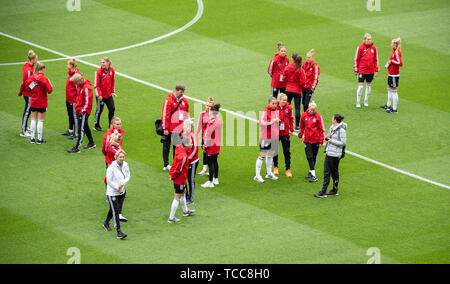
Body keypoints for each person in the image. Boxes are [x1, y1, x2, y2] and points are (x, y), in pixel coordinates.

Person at [314, 114, 347, 198]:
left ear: (335, 120)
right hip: (330, 152)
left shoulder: (341, 131)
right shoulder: (332, 127)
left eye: (332, 118)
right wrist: (327, 137)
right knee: (334, 172)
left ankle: (323, 192)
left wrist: (331, 141)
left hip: (334, 154)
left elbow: (343, 143)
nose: (331, 119)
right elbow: (329, 136)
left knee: (327, 172)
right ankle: (334, 190)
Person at [161, 84, 189, 171]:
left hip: (179, 129)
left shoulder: (184, 101)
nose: (182, 94)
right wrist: (165, 128)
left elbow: (186, 114)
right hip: (169, 129)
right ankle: (166, 164)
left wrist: (186, 126)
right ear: (176, 90)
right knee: (166, 146)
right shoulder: (168, 100)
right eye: (181, 92)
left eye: (183, 92)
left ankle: (175, 163)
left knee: (177, 147)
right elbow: (165, 115)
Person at [103, 150, 130, 239]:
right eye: (120, 157)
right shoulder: (111, 167)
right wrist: (117, 187)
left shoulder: (125, 165)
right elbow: (109, 180)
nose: (122, 159)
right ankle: (118, 232)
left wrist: (123, 183)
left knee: (113, 209)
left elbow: (128, 176)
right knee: (116, 211)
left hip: (122, 191)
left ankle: (106, 223)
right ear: (116, 157)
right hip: (113, 193)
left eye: (123, 157)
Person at [168, 137, 196, 223]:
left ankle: (185, 211)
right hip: (179, 178)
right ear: (186, 145)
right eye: (191, 143)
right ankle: (171, 218)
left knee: (183, 192)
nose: (192, 144)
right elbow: (179, 169)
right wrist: (173, 176)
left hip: (181, 178)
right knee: (177, 196)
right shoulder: (183, 156)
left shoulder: (180, 149)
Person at [67, 74, 96, 153]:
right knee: (85, 127)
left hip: (83, 112)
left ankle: (77, 147)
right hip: (80, 109)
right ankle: (91, 142)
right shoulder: (81, 86)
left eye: (76, 83)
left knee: (81, 129)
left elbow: (88, 102)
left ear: (79, 80)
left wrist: (82, 111)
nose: (75, 84)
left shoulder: (87, 88)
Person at [26, 62, 53, 144]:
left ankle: (32, 138)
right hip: (42, 102)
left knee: (33, 119)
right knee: (40, 121)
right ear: (42, 69)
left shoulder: (31, 78)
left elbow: (28, 89)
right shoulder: (45, 79)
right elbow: (50, 90)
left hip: (34, 101)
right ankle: (39, 139)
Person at [254, 97, 279, 183]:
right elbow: (261, 123)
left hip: (274, 137)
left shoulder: (276, 110)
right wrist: (272, 121)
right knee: (262, 155)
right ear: (269, 103)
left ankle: (269, 173)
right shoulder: (265, 111)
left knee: (270, 155)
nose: (275, 105)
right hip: (266, 137)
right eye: (273, 103)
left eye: (275, 103)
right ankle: (257, 175)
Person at [298, 101, 325, 183]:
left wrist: (321, 140)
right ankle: (314, 175)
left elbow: (321, 129)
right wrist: (300, 136)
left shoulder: (318, 117)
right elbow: (302, 126)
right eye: (311, 110)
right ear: (308, 108)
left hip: (316, 140)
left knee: (313, 157)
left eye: (314, 110)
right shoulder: (304, 115)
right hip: (307, 140)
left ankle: (311, 172)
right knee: (309, 156)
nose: (313, 111)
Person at [104, 131, 128, 222]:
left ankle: (118, 214)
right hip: (113, 169)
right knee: (116, 191)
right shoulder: (111, 148)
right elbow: (120, 153)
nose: (118, 143)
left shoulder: (116, 146)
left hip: (116, 169)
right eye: (117, 141)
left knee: (122, 194)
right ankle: (115, 215)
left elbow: (121, 151)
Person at [354, 33, 379, 108]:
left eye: (370, 39)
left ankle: (365, 100)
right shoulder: (360, 48)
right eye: (368, 39)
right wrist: (356, 69)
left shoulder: (374, 48)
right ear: (364, 40)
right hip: (362, 70)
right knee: (361, 86)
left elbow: (376, 59)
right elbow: (356, 59)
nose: (370, 41)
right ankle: (358, 101)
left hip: (370, 71)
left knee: (368, 86)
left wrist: (376, 69)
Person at [201, 104, 223, 188]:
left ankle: (210, 182)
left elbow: (207, 135)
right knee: (215, 161)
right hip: (217, 144)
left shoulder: (211, 122)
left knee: (210, 163)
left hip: (211, 146)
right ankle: (216, 179)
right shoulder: (219, 120)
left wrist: (204, 146)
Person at [273, 93, 294, 178]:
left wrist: (291, 129)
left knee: (287, 151)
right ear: (279, 100)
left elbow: (291, 119)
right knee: (275, 150)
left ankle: (288, 169)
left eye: (286, 100)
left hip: (285, 132)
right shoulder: (274, 107)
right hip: (275, 132)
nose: (285, 102)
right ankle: (275, 167)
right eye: (283, 100)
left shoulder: (289, 108)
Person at [283, 53, 305, 130]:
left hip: (288, 89)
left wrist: (288, 84)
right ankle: (297, 126)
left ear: (292, 59)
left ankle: (284, 123)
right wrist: (300, 87)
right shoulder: (300, 69)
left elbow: (284, 78)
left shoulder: (288, 67)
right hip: (297, 91)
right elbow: (303, 82)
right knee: (297, 108)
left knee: (286, 107)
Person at [18, 50, 38, 138]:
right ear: (32, 59)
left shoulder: (27, 66)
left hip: (27, 93)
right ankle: (23, 131)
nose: (37, 60)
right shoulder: (29, 70)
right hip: (28, 94)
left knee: (28, 111)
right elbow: (26, 83)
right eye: (36, 59)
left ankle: (25, 127)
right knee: (27, 111)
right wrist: (36, 83)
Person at [94, 57, 117, 131]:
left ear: (108, 63)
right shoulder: (98, 72)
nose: (102, 64)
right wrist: (99, 95)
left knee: (112, 108)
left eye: (103, 62)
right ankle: (96, 125)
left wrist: (112, 91)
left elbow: (112, 81)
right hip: (101, 96)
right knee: (99, 110)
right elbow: (96, 85)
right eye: (101, 62)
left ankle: (110, 125)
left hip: (108, 95)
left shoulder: (112, 70)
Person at [381, 38, 403, 114]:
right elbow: (391, 60)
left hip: (394, 74)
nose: (391, 44)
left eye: (392, 43)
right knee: (389, 89)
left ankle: (394, 109)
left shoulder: (397, 52)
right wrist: (387, 65)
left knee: (394, 91)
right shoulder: (393, 51)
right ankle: (388, 105)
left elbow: (400, 63)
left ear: (395, 44)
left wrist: (391, 61)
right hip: (391, 73)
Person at [62, 59, 81, 140]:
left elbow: (78, 89)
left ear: (72, 65)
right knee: (70, 114)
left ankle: (76, 134)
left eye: (68, 64)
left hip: (74, 100)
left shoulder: (77, 75)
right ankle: (70, 130)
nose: (67, 65)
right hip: (68, 98)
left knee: (75, 116)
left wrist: (77, 99)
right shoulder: (70, 74)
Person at [196, 97, 215, 176]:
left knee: (211, 155)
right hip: (204, 138)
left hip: (211, 139)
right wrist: (195, 134)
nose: (207, 107)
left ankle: (212, 169)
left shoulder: (214, 115)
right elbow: (199, 125)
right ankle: (204, 169)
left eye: (209, 106)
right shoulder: (202, 114)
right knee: (205, 153)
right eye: (207, 105)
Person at [183, 118, 199, 204]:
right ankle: (186, 195)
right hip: (186, 160)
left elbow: (195, 148)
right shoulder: (185, 133)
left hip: (192, 162)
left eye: (185, 125)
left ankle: (191, 198)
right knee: (184, 178)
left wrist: (189, 159)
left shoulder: (193, 135)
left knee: (191, 179)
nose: (183, 126)